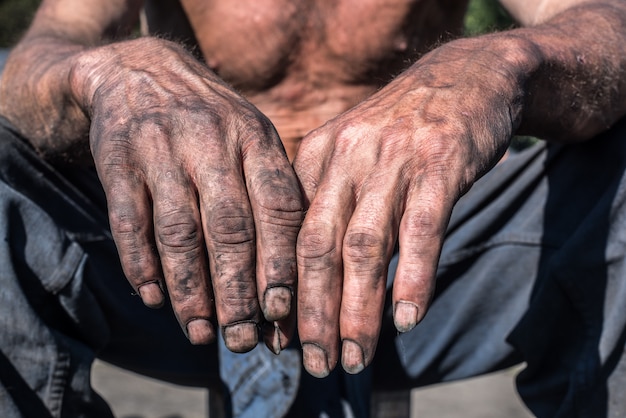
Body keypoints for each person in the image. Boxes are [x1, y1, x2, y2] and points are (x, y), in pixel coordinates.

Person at [1, 0, 626, 416]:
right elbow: (40, 54)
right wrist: (111, 72)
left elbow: (607, 19)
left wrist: (500, 61)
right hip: (178, 264)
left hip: (420, 264)